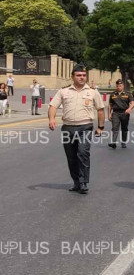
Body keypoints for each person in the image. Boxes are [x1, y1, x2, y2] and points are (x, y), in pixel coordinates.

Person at [48, 64, 105, 194]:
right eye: (79, 75)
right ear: (72, 77)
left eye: (84, 75)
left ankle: (84, 182)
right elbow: (53, 106)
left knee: (83, 153)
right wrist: (51, 119)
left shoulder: (92, 92)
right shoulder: (64, 91)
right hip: (68, 127)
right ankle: (76, 182)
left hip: (85, 126)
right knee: (71, 157)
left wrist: (100, 127)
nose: (82, 77)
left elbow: (100, 110)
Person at [107, 79, 134, 149]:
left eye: (120, 86)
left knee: (124, 128)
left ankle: (123, 142)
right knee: (115, 128)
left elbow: (132, 103)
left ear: (123, 86)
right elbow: (110, 105)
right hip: (115, 113)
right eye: (117, 86)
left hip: (124, 113)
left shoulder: (127, 94)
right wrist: (109, 114)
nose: (118, 87)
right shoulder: (113, 94)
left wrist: (129, 108)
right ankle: (113, 142)